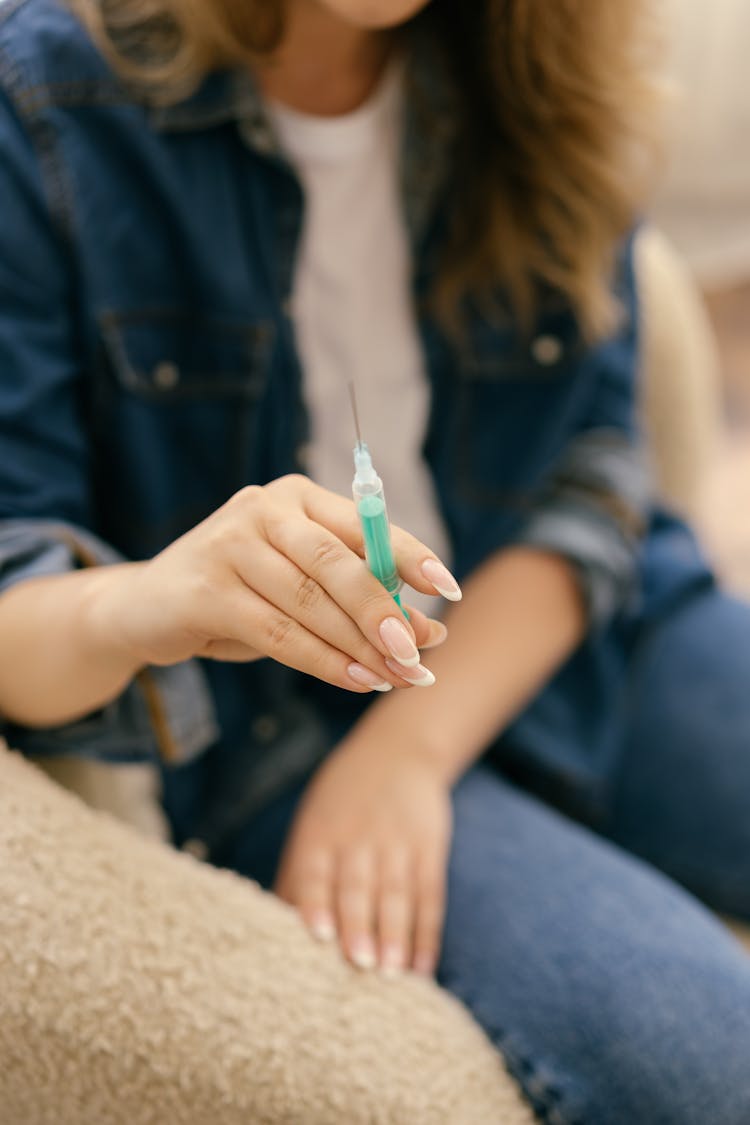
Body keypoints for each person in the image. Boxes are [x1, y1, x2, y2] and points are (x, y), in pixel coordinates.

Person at [0, 1, 749, 1121]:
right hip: (291, 717)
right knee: (706, 1062)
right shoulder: (42, 99)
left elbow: (598, 469)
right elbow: (16, 606)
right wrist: (157, 600)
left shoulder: (547, 56)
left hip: (573, 626)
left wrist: (411, 753)